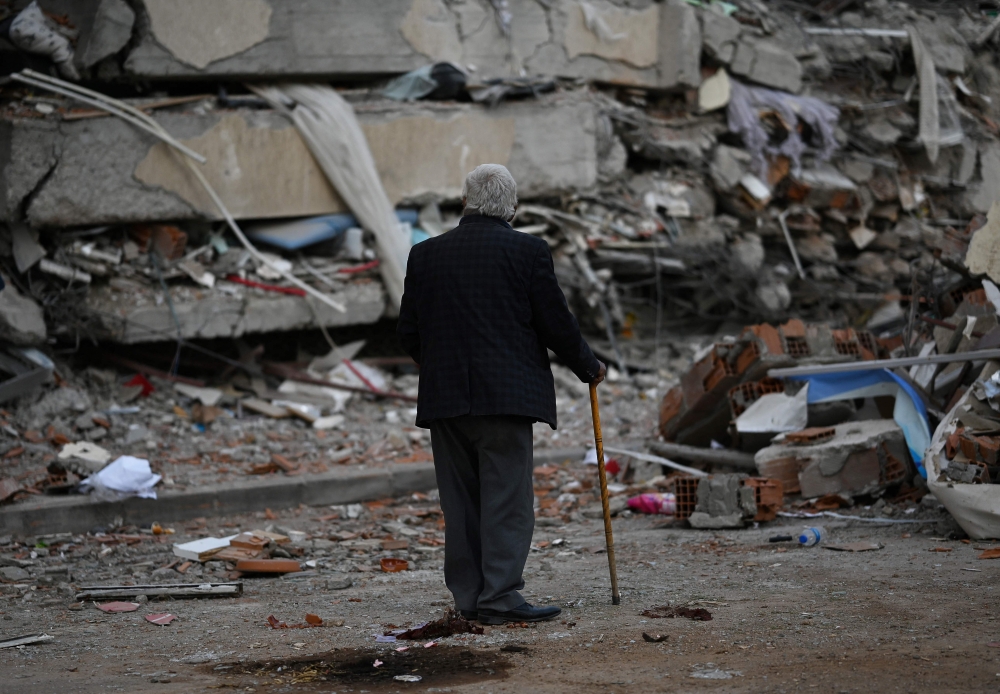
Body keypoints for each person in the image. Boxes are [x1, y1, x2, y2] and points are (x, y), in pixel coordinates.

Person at [397, 163, 605, 625]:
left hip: (446, 400)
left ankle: (468, 599)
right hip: (506, 399)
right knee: (506, 501)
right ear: (513, 207)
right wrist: (588, 367)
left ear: (464, 201)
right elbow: (556, 323)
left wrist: (440, 366)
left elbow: (409, 332)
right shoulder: (527, 251)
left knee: (461, 502)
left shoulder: (424, 254)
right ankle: (501, 597)